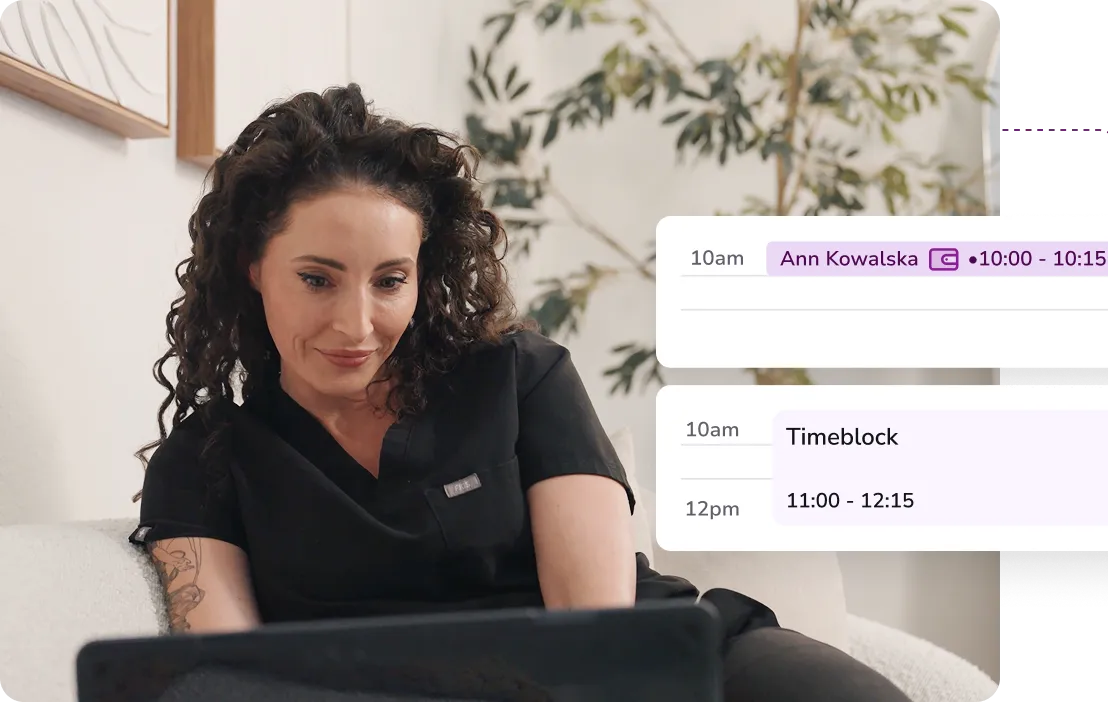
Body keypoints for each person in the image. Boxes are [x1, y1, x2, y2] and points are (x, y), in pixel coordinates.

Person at [131, 83, 912, 702]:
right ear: (251, 268)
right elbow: (224, 677)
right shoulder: (207, 461)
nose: (356, 324)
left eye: (390, 280)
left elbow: (597, 639)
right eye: (316, 279)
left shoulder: (517, 377)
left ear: (422, 277)